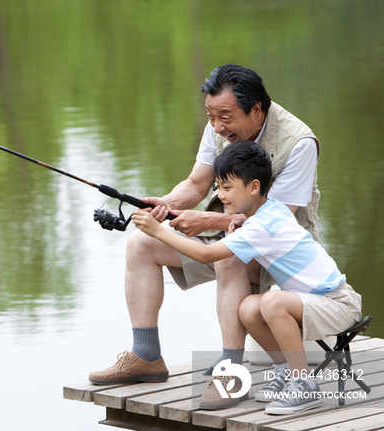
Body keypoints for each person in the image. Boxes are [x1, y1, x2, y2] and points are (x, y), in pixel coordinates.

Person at [88, 64, 322, 409]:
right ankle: (146, 355)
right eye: (211, 117)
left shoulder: (299, 142)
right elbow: (197, 184)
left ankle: (230, 372)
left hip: (283, 258)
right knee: (142, 243)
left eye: (224, 116)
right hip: (226, 234)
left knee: (230, 254)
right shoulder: (222, 128)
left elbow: (275, 220)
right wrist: (164, 205)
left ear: (256, 109)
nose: (217, 126)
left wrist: (207, 220)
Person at [131, 140, 361, 414]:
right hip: (313, 301)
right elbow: (253, 227)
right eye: (218, 187)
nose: (221, 195)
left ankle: (305, 386)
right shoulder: (266, 211)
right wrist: (242, 221)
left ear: (253, 187)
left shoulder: (261, 226)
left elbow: (207, 255)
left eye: (228, 188)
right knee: (248, 307)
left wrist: (159, 232)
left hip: (338, 303)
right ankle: (286, 370)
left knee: (271, 302)